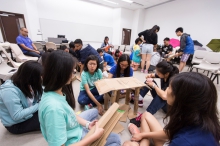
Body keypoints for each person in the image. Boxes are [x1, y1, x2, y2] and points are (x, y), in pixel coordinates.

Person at [39, 50, 120, 146]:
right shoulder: (53, 109)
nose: (73, 74)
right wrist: (93, 137)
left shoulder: (55, 91)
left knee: (94, 112)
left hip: (72, 128)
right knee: (116, 139)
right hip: (75, 139)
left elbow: (70, 114)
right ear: (61, 73)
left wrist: (87, 124)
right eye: (72, 71)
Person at [123, 72, 220, 146]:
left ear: (181, 98)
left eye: (169, 88)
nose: (166, 90)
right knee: (146, 115)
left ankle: (140, 141)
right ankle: (142, 138)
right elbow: (171, 132)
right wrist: (143, 135)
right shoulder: (199, 118)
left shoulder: (183, 142)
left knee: (128, 144)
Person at [130, 61, 179, 127]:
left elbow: (165, 96)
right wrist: (149, 76)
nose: (157, 74)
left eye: (158, 73)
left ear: (166, 74)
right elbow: (154, 75)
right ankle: (139, 97)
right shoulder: (164, 74)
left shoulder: (173, 80)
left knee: (162, 96)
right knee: (149, 82)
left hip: (170, 107)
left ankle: (145, 116)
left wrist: (153, 85)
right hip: (165, 100)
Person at [0, 61, 43, 134]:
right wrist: (39, 105)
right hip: (16, 124)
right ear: (31, 78)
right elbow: (17, 115)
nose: (41, 79)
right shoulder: (9, 92)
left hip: (28, 114)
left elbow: (40, 93)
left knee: (54, 111)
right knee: (53, 118)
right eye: (40, 77)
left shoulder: (27, 83)